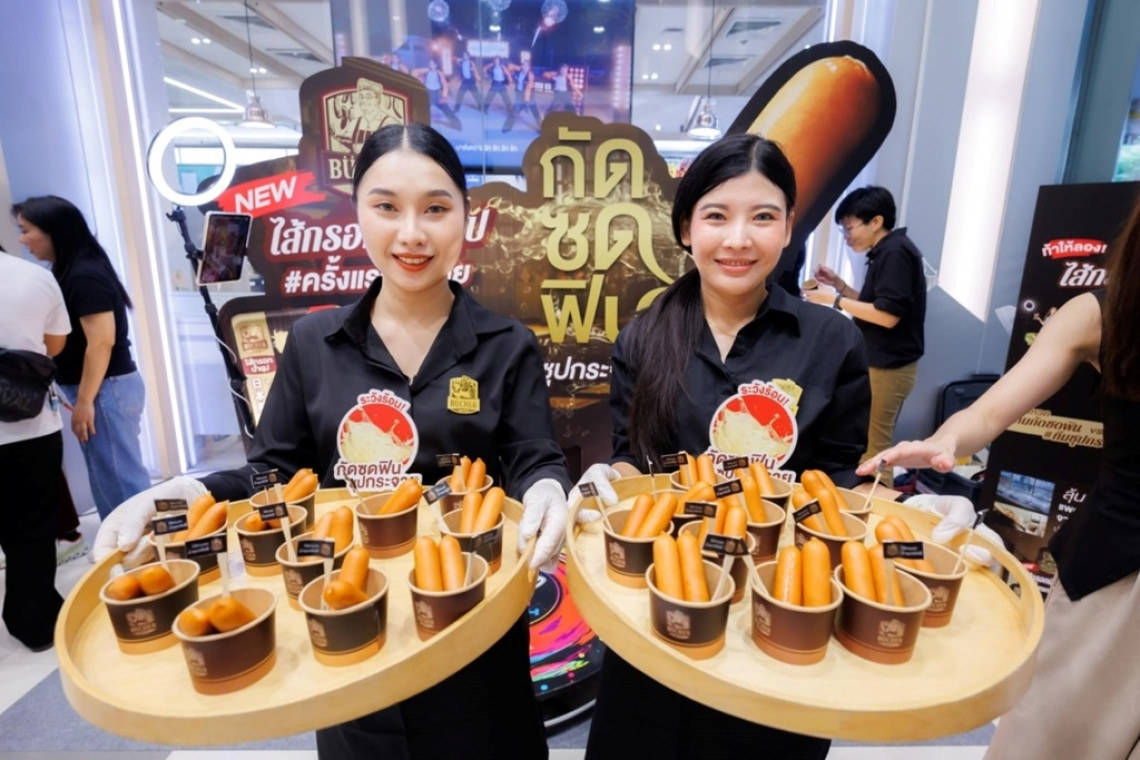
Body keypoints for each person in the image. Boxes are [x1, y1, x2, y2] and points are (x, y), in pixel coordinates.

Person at [93, 123, 572, 759]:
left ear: (466, 215)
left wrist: (547, 486)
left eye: (435, 208)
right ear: (357, 214)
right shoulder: (315, 343)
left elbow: (534, 456)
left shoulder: (506, 345)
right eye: (386, 207)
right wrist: (186, 492)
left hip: (472, 623)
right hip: (349, 616)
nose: (411, 233)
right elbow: (274, 474)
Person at [578, 133, 870, 760]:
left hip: (781, 605)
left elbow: (838, 478)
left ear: (788, 227)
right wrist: (606, 480)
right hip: (662, 601)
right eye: (716, 216)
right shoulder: (644, 335)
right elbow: (633, 456)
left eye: (762, 217)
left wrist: (903, 507)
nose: (738, 239)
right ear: (687, 228)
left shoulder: (831, 341)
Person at [858, 192, 1140, 760]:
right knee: (1057, 740)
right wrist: (944, 442)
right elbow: (989, 412)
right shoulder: (1103, 313)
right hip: (1120, 569)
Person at [13, 196, 151, 521]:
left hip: (105, 390)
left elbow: (101, 341)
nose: (22, 240)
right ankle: (123, 545)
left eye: (26, 230)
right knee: (109, 479)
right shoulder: (70, 271)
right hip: (100, 389)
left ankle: (143, 546)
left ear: (53, 231)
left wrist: (86, 401)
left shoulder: (83, 275)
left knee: (121, 483)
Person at [806, 186, 926, 462]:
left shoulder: (895, 252)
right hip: (882, 364)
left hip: (888, 367)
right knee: (868, 446)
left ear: (876, 221)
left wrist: (833, 300)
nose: (846, 237)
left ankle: (879, 492)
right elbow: (875, 304)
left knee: (875, 450)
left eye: (849, 228)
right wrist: (839, 285)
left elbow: (887, 316)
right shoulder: (888, 250)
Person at [0, 244, 71, 650]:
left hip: (32, 427)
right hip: (29, 424)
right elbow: (55, 345)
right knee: (33, 527)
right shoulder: (33, 277)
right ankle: (35, 621)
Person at [412, 59, 461, 131]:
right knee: (421, 110)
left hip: (437, 94)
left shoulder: (439, 73)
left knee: (446, 109)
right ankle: (418, 126)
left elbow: (445, 85)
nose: (431, 65)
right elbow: (415, 72)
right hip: (428, 93)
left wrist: (444, 96)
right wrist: (427, 69)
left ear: (436, 65)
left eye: (433, 64)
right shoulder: (426, 72)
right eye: (430, 64)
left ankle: (457, 125)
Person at [502, 59, 541, 133]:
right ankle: (507, 127)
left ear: (529, 67)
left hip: (529, 96)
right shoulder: (520, 72)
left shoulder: (530, 75)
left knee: (535, 113)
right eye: (523, 65)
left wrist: (526, 100)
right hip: (520, 95)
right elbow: (512, 68)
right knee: (514, 111)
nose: (524, 66)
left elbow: (528, 89)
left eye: (526, 65)